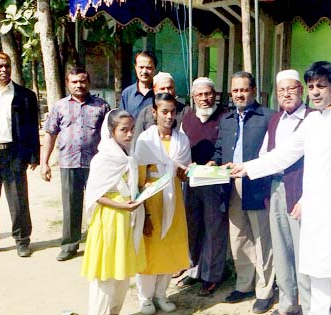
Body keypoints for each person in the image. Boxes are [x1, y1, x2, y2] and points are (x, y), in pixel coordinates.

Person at [230, 61, 331, 315]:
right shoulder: (313, 121)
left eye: (321, 86)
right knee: (317, 278)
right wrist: (247, 168)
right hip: (315, 211)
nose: (315, 92)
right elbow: (284, 154)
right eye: (311, 86)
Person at [212, 71, 276, 313]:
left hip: (258, 184)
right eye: (235, 90)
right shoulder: (227, 120)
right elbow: (220, 150)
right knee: (238, 237)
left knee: (262, 239)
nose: (239, 94)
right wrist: (213, 163)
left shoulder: (268, 117)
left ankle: (264, 290)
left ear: (253, 91)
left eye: (244, 89)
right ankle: (244, 284)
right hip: (231, 185)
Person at [40, 66, 111, 261]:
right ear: (68, 84)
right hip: (69, 162)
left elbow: (110, 135)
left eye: (82, 81)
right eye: (74, 82)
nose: (79, 85)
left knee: (99, 204)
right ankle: (70, 245)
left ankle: (100, 243)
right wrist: (44, 162)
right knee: (71, 205)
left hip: (96, 164)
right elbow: (51, 133)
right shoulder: (60, 106)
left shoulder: (101, 106)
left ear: (88, 82)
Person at [80, 109, 146, 315]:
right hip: (110, 219)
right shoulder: (103, 159)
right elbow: (94, 194)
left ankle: (115, 311)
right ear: (111, 131)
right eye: (123, 130)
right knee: (106, 273)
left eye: (132, 130)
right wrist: (121, 206)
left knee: (123, 272)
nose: (129, 134)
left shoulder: (129, 156)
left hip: (129, 219)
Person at [0, 51, 40, 258]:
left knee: (19, 200)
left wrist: (33, 155)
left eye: (7, 66)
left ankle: (22, 241)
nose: (4, 70)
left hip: (15, 154)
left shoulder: (25, 95)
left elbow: (31, 127)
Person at [261, 69, 314, 315]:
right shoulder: (275, 119)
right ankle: (287, 305)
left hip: (301, 192)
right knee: (281, 249)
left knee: (304, 251)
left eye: (291, 89)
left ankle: (311, 306)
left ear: (301, 90)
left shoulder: (314, 119)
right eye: (281, 90)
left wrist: (307, 197)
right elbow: (265, 155)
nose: (286, 94)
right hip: (276, 188)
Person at [134, 93, 191, 314]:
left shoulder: (182, 140)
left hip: (174, 199)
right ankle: (145, 298)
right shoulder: (145, 140)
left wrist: (187, 173)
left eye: (172, 112)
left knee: (169, 246)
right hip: (152, 201)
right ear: (154, 112)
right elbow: (139, 179)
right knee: (150, 248)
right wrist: (145, 214)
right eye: (164, 112)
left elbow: (183, 173)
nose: (169, 116)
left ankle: (161, 294)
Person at [178, 77, 229, 296]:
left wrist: (214, 161)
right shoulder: (186, 117)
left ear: (214, 94)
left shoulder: (225, 116)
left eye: (208, 94)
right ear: (193, 97)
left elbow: (225, 146)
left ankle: (211, 275)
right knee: (193, 227)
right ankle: (194, 269)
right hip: (191, 181)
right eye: (199, 95)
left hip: (215, 181)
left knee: (214, 229)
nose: (205, 99)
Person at [134, 72, 190, 139]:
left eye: (170, 88)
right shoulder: (145, 113)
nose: (166, 91)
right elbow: (137, 140)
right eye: (162, 89)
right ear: (155, 91)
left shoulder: (186, 111)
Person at [121, 51, 156, 118]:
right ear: (135, 67)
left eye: (148, 68)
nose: (144, 71)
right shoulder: (127, 93)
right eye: (141, 67)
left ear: (154, 69)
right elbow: (122, 120)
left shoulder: (160, 92)